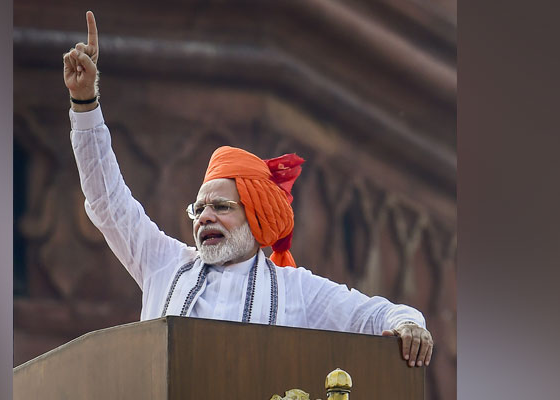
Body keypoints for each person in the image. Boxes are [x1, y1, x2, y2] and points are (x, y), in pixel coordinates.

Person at [63, 11, 433, 368]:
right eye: (199, 209)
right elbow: (107, 200)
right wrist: (84, 102)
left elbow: (374, 315)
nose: (204, 217)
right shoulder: (165, 264)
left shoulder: (295, 290)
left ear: (255, 216)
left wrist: (409, 324)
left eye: (221, 207)